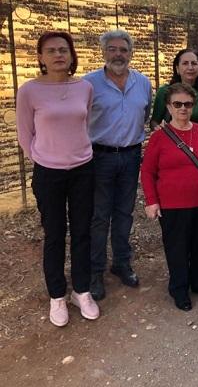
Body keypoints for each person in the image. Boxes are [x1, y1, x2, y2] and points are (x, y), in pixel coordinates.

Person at [16, 31, 100, 326]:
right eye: (50, 51)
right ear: (40, 57)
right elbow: (25, 134)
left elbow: (84, 123)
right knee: (54, 233)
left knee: (82, 231)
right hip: (48, 173)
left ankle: (82, 290)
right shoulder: (29, 91)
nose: (58, 55)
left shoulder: (85, 88)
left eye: (63, 50)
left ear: (71, 54)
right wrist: (44, 159)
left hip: (83, 169)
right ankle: (57, 296)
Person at [141, 83, 198, 311]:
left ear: (193, 106)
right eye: (177, 104)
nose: (183, 108)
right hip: (173, 205)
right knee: (177, 248)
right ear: (169, 106)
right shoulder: (160, 137)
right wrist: (151, 201)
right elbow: (147, 171)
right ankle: (179, 288)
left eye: (188, 104)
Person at [84, 30, 151, 301]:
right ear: (103, 52)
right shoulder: (88, 84)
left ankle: (121, 263)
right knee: (99, 217)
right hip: (99, 157)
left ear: (131, 53)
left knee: (125, 213)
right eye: (112, 49)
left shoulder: (143, 83)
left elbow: (144, 115)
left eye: (123, 49)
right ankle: (95, 272)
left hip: (132, 155)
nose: (118, 54)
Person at [150, 48, 198, 138]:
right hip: (174, 143)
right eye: (185, 63)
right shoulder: (165, 92)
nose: (190, 67)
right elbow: (154, 121)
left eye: (194, 63)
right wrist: (157, 129)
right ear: (177, 68)